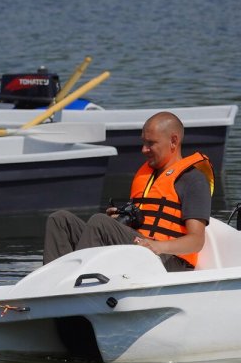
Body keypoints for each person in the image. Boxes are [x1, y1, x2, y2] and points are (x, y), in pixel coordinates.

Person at [42, 111, 214, 271]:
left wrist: (158, 246)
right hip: (138, 250)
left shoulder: (193, 180)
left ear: (174, 141)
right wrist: (119, 221)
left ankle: (75, 284)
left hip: (169, 261)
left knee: (100, 222)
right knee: (60, 220)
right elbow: (144, 223)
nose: (144, 149)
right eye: (143, 142)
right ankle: (51, 285)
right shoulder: (145, 177)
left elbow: (196, 241)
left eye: (151, 143)